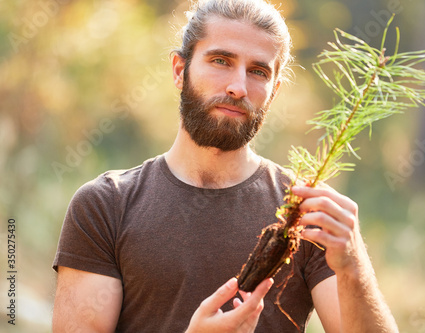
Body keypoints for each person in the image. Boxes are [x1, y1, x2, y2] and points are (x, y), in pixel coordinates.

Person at [52, 0, 399, 332]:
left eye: (258, 71)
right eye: (220, 61)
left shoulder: (304, 214)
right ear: (179, 70)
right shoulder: (106, 206)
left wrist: (354, 267)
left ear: (274, 91)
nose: (238, 87)